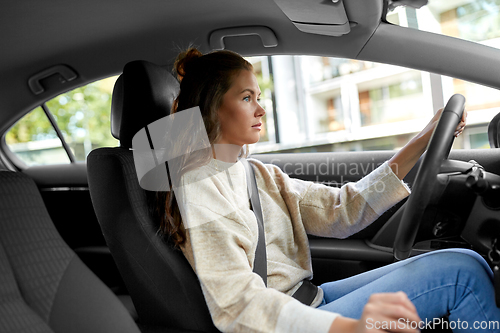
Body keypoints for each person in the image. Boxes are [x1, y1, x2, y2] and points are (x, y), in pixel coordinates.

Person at [152, 47, 499, 333]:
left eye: (258, 97)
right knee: (462, 278)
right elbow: (237, 304)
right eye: (246, 98)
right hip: (277, 323)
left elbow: (342, 210)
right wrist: (346, 328)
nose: (260, 109)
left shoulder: (257, 174)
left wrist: (423, 140)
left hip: (307, 300)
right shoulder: (198, 187)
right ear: (213, 106)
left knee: (463, 263)